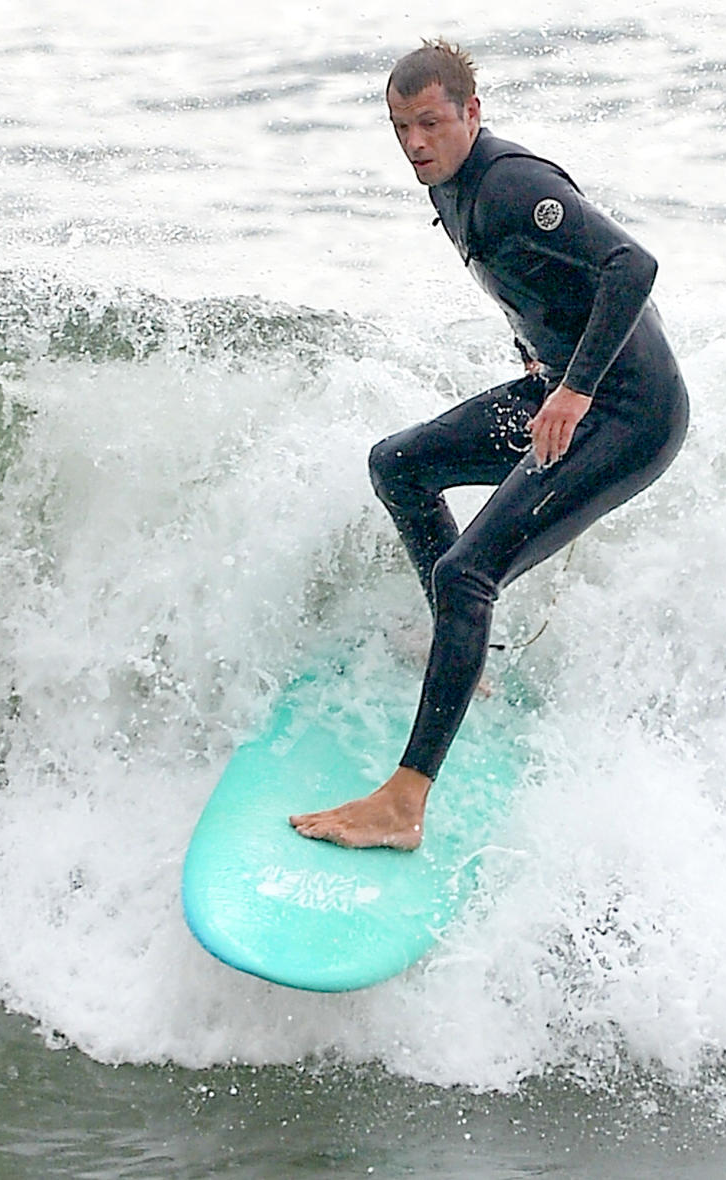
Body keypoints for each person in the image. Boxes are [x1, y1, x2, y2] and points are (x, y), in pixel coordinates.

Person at [290, 39, 688, 849]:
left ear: (473, 112)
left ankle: (405, 803)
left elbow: (631, 267)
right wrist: (548, 371)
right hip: (567, 390)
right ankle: (464, 647)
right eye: (400, 126)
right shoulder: (446, 187)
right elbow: (545, 290)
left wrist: (574, 392)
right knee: (398, 465)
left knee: (468, 568)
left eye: (430, 122)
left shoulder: (511, 186)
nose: (414, 142)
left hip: (627, 414)